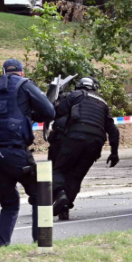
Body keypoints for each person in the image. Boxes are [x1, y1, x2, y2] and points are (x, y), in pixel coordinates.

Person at [0, 59, 55, 247]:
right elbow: (49, 112)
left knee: (9, 204)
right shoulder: (25, 85)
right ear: (21, 73)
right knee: (40, 194)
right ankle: (41, 241)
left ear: (3, 71)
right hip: (17, 154)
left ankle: (0, 246)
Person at [51, 77, 121, 219]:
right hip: (96, 142)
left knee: (59, 170)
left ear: (79, 86)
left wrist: (54, 104)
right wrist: (114, 153)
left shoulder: (74, 95)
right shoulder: (103, 103)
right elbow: (113, 130)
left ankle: (61, 194)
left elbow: (58, 112)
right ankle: (64, 209)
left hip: (75, 137)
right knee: (76, 177)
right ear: (94, 87)